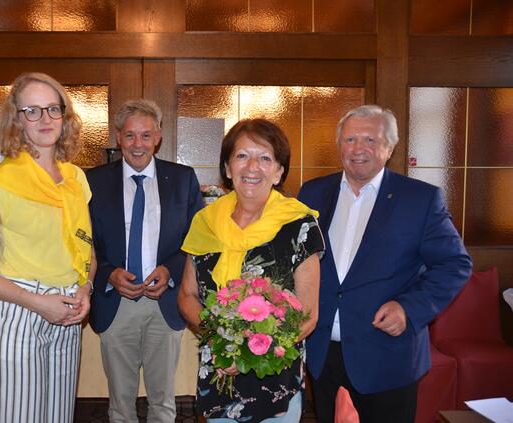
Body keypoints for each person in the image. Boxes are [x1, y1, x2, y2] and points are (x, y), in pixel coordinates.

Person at [297, 105, 472, 423]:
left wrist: (409, 308)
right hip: (322, 352)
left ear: (389, 147)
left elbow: (454, 264)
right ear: (340, 145)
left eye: (370, 139)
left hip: (386, 355)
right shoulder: (312, 194)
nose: (358, 149)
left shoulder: (420, 199)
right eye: (350, 139)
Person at [0, 72, 96, 423]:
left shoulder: (76, 179)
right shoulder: (4, 181)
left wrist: (85, 289)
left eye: (52, 109)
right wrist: (37, 303)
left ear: (65, 116)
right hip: (20, 310)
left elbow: (87, 254)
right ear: (16, 119)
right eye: (32, 111)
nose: (45, 119)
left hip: (66, 309)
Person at [178, 118, 324, 422]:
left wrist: (252, 352)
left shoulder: (299, 225)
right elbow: (188, 295)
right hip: (219, 370)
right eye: (242, 156)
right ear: (228, 169)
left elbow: (308, 314)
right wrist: (222, 343)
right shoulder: (205, 222)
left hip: (273, 378)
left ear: (279, 171)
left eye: (265, 158)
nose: (252, 166)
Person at [86, 99, 203, 423]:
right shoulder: (93, 182)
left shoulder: (182, 179)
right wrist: (108, 275)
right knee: (120, 405)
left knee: (163, 402)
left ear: (159, 136)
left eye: (146, 136)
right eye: (130, 136)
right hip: (115, 304)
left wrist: (171, 270)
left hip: (164, 302)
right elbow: (85, 243)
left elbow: (197, 241)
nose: (138, 145)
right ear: (118, 136)